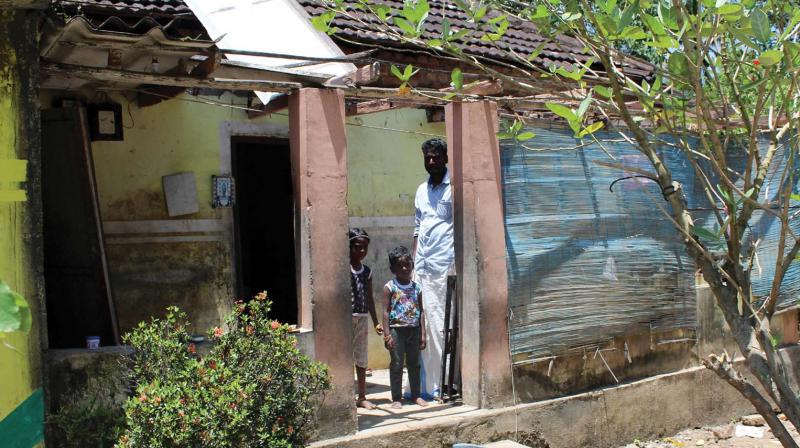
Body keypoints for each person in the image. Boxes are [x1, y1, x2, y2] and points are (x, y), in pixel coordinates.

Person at [412, 138, 454, 400]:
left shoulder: (455, 188)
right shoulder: (420, 190)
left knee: (443, 327)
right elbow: (417, 228)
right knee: (423, 326)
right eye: (427, 157)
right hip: (422, 268)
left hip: (445, 267)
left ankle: (446, 382)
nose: (431, 162)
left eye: (436, 157)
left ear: (445, 158)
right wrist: (413, 266)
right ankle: (427, 386)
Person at [382, 246, 428, 409]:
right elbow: (386, 312)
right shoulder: (390, 287)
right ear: (392, 268)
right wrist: (387, 335)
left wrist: (423, 334)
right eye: (400, 265)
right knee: (396, 363)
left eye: (407, 264)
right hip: (396, 330)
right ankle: (396, 398)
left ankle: (416, 395)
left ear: (412, 265)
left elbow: (421, 311)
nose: (404, 268)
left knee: (414, 364)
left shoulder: (417, 288)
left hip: (414, 330)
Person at [348, 228, 382, 410]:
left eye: (364, 248)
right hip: (345, 320)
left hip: (361, 318)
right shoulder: (344, 268)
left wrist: (376, 321)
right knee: (345, 358)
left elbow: (369, 298)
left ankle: (361, 396)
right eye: (357, 247)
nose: (361, 251)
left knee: (361, 358)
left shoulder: (366, 271)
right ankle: (346, 397)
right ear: (349, 247)